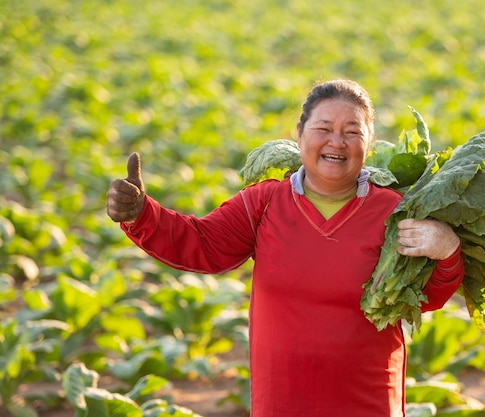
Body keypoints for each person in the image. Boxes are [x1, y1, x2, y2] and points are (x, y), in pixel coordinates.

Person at [106, 79, 464, 417]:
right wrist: (142, 214)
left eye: (352, 132)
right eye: (323, 129)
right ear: (300, 134)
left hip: (367, 399)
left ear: (368, 144)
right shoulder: (263, 203)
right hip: (283, 399)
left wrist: (447, 250)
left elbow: (424, 296)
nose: (337, 142)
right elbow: (202, 244)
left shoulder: (393, 211)